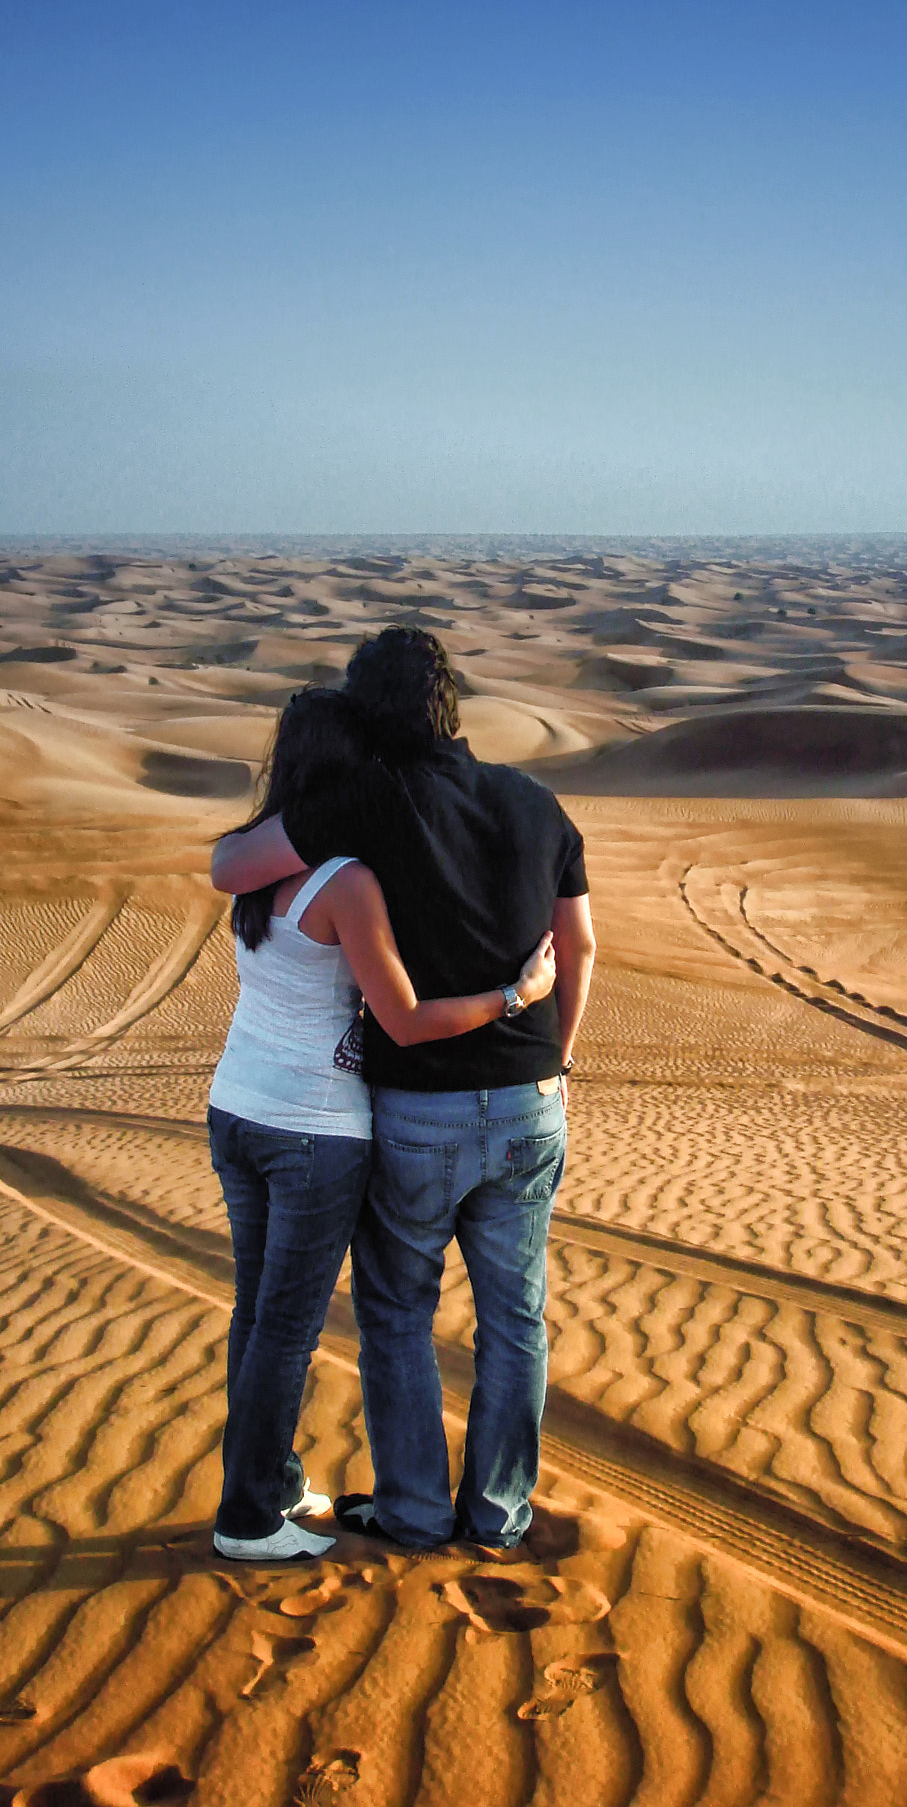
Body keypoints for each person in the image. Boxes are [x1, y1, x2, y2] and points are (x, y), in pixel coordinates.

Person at [212, 629, 596, 1550]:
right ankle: (500, 1514)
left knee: (395, 1309)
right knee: (514, 1317)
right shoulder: (537, 802)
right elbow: (578, 947)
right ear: (452, 704)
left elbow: (230, 870)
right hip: (531, 1097)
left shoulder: (365, 799)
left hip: (416, 1109)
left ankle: (417, 1512)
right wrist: (555, 1057)